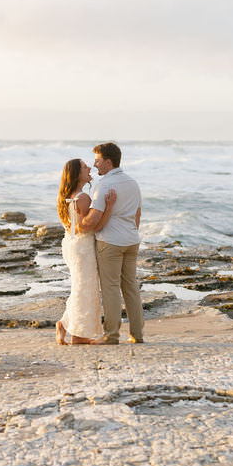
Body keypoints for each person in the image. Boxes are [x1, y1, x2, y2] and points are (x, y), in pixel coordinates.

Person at [84, 142, 144, 344]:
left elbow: (93, 220)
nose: (94, 165)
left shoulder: (105, 186)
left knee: (110, 288)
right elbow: (137, 213)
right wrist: (130, 232)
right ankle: (137, 334)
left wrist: (79, 220)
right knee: (131, 288)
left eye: (98, 161)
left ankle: (111, 335)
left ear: (108, 162)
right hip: (131, 240)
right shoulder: (133, 182)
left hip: (110, 242)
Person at [55, 158, 116, 345]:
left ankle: (66, 324)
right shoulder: (82, 198)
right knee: (86, 288)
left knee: (80, 287)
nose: (89, 167)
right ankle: (79, 335)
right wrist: (109, 208)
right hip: (83, 247)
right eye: (84, 167)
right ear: (76, 174)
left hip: (71, 244)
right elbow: (91, 226)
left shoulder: (68, 196)